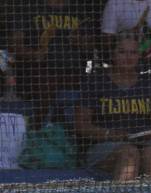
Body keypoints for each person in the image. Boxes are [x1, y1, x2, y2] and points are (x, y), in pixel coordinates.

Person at [75, 35, 151, 180]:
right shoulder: (95, 82)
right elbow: (81, 125)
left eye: (133, 52)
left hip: (145, 144)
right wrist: (109, 134)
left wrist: (149, 134)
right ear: (112, 54)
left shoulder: (150, 83)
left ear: (139, 55)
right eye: (122, 52)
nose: (128, 57)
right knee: (129, 154)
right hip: (106, 147)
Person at [9, 0, 101, 129]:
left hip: (74, 74)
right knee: (46, 81)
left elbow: (93, 49)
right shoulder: (29, 7)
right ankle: (39, 127)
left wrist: (83, 42)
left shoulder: (81, 9)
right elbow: (14, 45)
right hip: (38, 74)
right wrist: (34, 54)